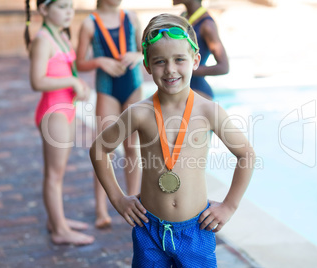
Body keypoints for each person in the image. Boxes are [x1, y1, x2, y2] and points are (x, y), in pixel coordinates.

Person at [90, 13, 254, 266]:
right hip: (149, 229)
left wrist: (229, 206)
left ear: (195, 60)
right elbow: (100, 148)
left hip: (196, 229)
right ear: (146, 65)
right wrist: (118, 198)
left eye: (179, 59)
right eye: (159, 62)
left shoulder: (208, 111)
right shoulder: (140, 113)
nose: (170, 70)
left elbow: (246, 155)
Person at [25, 0, 94, 245]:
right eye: (62, 7)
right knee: (53, 175)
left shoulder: (61, 36)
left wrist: (78, 85)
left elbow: (63, 70)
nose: (69, 12)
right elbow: (37, 80)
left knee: (60, 171)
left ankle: (56, 220)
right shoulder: (43, 40)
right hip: (53, 112)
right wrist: (72, 82)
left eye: (70, 6)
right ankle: (60, 231)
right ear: (44, 9)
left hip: (67, 109)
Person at [76, 0, 143, 228]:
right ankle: (101, 208)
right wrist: (99, 61)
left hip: (133, 86)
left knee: (133, 147)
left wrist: (137, 55)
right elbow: (79, 63)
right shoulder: (89, 23)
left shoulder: (132, 17)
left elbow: (145, 49)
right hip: (107, 91)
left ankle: (134, 201)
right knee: (105, 151)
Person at [173, 0, 229, 100]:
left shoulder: (207, 25)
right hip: (181, 90)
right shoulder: (183, 17)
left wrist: (186, 69)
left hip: (199, 92)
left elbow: (224, 67)